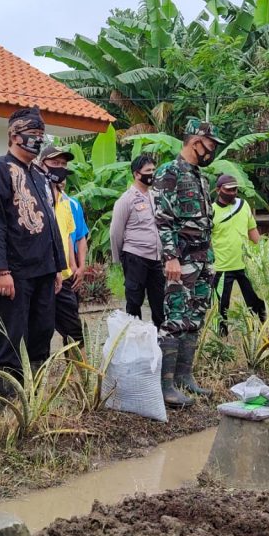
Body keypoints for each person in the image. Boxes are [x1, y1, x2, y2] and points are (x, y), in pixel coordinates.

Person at [0, 107, 65, 400]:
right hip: (15, 273)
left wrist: (57, 267)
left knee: (42, 333)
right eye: (33, 135)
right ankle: (8, 404)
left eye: (41, 135)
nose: (38, 141)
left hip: (44, 270)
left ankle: (34, 398)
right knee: (11, 336)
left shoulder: (40, 175)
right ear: (14, 135)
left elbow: (51, 223)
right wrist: (1, 270)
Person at [152, 118, 223, 407]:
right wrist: (171, 257)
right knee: (175, 319)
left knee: (195, 318)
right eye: (211, 145)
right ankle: (165, 385)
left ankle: (185, 378)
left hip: (202, 259)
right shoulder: (169, 172)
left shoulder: (200, 178)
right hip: (180, 259)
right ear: (196, 142)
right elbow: (163, 218)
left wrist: (209, 259)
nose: (212, 151)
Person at [35, 143, 84, 348]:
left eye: (63, 164)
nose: (60, 168)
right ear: (41, 164)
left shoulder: (66, 203)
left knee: (74, 332)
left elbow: (69, 237)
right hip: (41, 275)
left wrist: (73, 266)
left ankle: (79, 377)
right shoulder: (36, 199)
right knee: (41, 331)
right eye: (55, 163)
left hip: (63, 276)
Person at [110, 154, 165, 328]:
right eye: (148, 171)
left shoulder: (155, 196)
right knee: (134, 301)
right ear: (136, 174)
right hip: (135, 257)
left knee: (159, 301)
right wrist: (120, 259)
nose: (152, 174)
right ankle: (133, 339)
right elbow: (115, 232)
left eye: (153, 170)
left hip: (156, 259)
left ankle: (160, 341)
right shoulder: (126, 200)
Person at [210, 174, 266, 336]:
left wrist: (263, 253)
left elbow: (252, 231)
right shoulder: (211, 211)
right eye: (228, 190)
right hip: (222, 267)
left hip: (246, 265)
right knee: (221, 307)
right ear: (219, 190)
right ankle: (221, 338)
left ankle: (262, 330)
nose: (233, 193)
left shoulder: (244, 205)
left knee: (256, 301)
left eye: (235, 189)